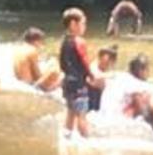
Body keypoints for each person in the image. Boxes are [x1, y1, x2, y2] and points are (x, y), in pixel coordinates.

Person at [57, 7, 94, 139]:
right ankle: (87, 141)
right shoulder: (80, 41)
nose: (85, 27)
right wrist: (92, 76)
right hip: (78, 84)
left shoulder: (64, 41)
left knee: (70, 113)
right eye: (83, 23)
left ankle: (66, 138)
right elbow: (85, 62)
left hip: (67, 83)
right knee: (81, 115)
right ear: (73, 24)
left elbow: (61, 63)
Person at [12, 27, 62, 92]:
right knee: (55, 70)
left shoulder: (19, 49)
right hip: (29, 84)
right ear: (35, 41)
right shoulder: (32, 50)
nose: (41, 43)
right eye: (41, 41)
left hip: (19, 82)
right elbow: (37, 76)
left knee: (51, 66)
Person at [86, 44, 118, 111]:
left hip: (101, 92)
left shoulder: (110, 64)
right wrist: (109, 75)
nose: (108, 63)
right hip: (90, 91)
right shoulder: (93, 65)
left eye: (110, 61)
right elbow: (95, 76)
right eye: (106, 61)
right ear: (100, 57)